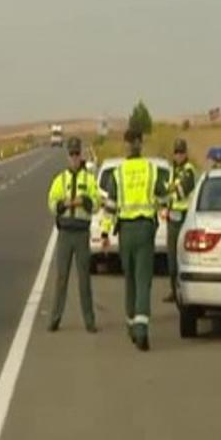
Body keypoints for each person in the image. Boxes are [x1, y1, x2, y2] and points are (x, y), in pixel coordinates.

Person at [102, 129, 167, 351]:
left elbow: (110, 207)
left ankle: (131, 325)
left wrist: (104, 233)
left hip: (126, 232)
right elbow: (164, 197)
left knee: (129, 278)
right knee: (143, 281)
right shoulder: (151, 169)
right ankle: (141, 330)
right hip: (145, 229)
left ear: (126, 145)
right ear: (141, 144)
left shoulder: (118, 173)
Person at [46, 137, 99, 333]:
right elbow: (52, 202)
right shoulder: (61, 179)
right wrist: (65, 204)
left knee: (84, 279)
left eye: (78, 154)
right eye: (72, 154)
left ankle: (89, 320)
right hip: (66, 233)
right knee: (61, 278)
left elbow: (96, 203)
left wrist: (82, 201)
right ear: (68, 156)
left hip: (81, 233)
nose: (75, 157)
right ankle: (54, 318)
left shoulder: (89, 179)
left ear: (81, 155)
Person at [162, 138, 197, 303]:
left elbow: (182, 191)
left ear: (186, 153)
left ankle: (182, 291)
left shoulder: (189, 171)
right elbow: (165, 189)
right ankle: (172, 290)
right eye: (176, 152)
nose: (178, 155)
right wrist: (169, 191)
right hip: (172, 218)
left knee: (182, 257)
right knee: (171, 259)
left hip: (184, 218)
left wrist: (170, 191)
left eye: (181, 152)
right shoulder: (172, 170)